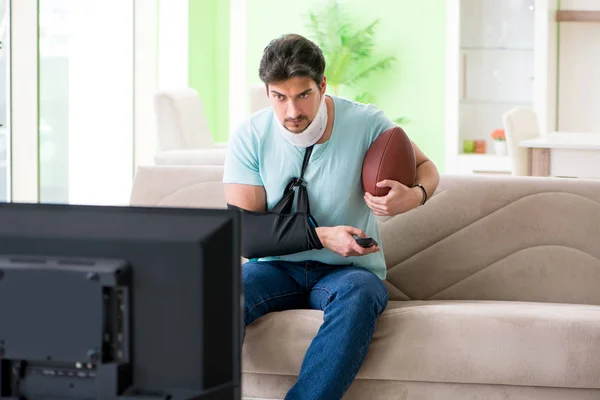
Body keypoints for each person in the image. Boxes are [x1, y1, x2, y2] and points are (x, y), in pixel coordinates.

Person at [223, 33, 439, 400]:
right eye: (280, 97)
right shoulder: (249, 136)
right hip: (275, 267)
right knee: (222, 292)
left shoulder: (367, 122)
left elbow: (426, 166)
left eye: (303, 94)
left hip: (348, 272)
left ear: (323, 85)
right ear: (267, 93)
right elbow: (245, 234)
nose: (292, 111)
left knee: (361, 294)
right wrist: (321, 237)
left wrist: (415, 196)